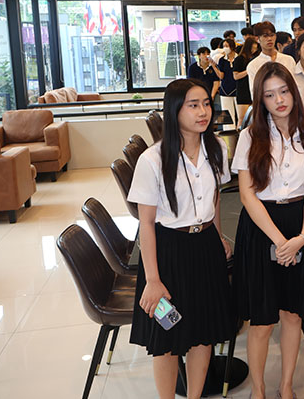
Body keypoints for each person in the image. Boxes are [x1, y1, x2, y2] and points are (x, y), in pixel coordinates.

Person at [127, 78, 234, 399]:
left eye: (205, 104)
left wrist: (217, 235)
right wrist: (153, 279)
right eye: (193, 105)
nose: (203, 112)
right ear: (174, 111)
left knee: (204, 336)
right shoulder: (153, 160)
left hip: (205, 249)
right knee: (168, 340)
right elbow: (145, 223)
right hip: (168, 252)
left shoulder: (215, 150)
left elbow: (214, 200)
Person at [232, 62, 304, 399]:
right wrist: (280, 241)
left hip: (299, 226)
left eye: (283, 91)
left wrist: (302, 237)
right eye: (269, 95)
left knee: (293, 314)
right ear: (260, 100)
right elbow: (246, 194)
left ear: (293, 93)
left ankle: (285, 387)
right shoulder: (250, 136)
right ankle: (259, 389)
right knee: (263, 320)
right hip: (261, 229)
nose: (279, 100)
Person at [248, 21, 297, 98]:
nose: (269, 39)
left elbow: (295, 86)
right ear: (257, 39)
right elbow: (254, 94)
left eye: (272, 35)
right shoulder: (253, 65)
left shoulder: (288, 60)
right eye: (265, 36)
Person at [213, 38, 240, 130]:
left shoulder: (239, 58)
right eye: (224, 46)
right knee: (227, 115)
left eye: (227, 46)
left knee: (240, 114)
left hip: (237, 89)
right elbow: (221, 76)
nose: (225, 48)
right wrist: (214, 66)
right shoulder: (222, 60)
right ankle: (229, 134)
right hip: (225, 89)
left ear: (232, 47)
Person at [235, 35, 258, 127]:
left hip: (252, 89)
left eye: (255, 49)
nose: (254, 51)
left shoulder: (254, 59)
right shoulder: (239, 59)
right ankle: (239, 137)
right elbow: (236, 76)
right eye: (252, 48)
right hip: (243, 90)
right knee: (242, 118)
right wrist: (248, 70)